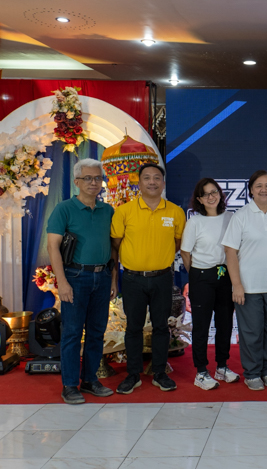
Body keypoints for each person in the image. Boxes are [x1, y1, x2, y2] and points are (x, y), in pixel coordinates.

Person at [46, 159, 117, 405]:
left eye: (98, 178)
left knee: (97, 333)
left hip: (103, 275)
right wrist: (62, 283)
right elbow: (53, 247)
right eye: (88, 178)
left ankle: (90, 380)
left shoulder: (107, 210)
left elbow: (114, 249)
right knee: (73, 333)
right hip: (75, 277)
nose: (94, 183)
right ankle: (70, 386)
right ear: (76, 181)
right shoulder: (64, 209)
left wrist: (113, 279)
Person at [111, 163, 186, 394]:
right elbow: (115, 245)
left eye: (156, 178)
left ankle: (159, 373)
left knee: (161, 327)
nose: (152, 182)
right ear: (139, 182)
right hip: (132, 278)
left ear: (163, 183)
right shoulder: (124, 211)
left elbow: (177, 244)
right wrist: (115, 279)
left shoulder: (175, 212)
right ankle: (133, 374)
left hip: (162, 278)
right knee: (133, 327)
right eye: (147, 178)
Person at [222, 170, 267, 391]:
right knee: (251, 332)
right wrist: (237, 284)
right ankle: (252, 373)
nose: (264, 189)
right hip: (248, 286)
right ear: (251, 189)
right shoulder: (240, 215)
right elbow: (230, 252)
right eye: (259, 185)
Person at [181, 178, 240, 390]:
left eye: (214, 192)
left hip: (225, 275)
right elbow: (185, 252)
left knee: (225, 324)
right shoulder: (195, 222)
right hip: (201, 276)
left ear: (220, 194)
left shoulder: (231, 218)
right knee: (202, 327)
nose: (211, 196)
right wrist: (198, 274)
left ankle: (222, 366)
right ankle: (201, 372)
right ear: (199, 199)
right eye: (206, 194)